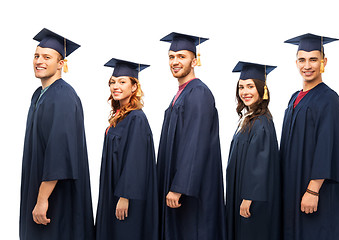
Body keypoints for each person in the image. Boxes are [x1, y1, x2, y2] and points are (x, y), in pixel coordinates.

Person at [20, 28, 94, 240]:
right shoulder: (40, 94)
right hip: (40, 189)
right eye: (36, 56)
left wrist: (42, 200)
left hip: (55, 198)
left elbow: (58, 152)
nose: (39, 61)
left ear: (61, 64)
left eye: (47, 57)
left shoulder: (62, 96)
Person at [280, 33, 339, 240]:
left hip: (317, 191)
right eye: (302, 60)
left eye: (313, 59)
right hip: (293, 186)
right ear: (296, 63)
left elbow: (327, 146)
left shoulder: (329, 99)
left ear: (324, 62)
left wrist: (313, 190)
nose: (307, 65)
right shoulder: (294, 98)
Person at [157, 32, 226, 240]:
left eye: (181, 56)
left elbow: (195, 143)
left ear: (194, 60)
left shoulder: (198, 92)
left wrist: (179, 187)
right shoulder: (180, 94)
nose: (175, 62)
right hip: (180, 187)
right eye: (171, 57)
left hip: (193, 191)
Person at [95, 58, 158, 240]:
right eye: (113, 82)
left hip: (128, 196)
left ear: (133, 87)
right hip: (114, 190)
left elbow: (135, 160)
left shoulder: (136, 118)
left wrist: (124, 196)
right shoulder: (120, 116)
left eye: (122, 82)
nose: (116, 86)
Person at [226, 61, 281, 240]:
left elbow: (260, 165)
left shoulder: (261, 123)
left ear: (262, 89)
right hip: (242, 194)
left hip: (253, 200)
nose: (245, 92)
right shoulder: (248, 119)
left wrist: (249, 198)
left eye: (250, 86)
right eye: (241, 87)